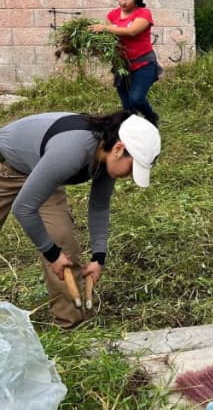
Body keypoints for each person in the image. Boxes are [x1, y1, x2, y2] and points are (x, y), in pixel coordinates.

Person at [0, 111, 160, 328]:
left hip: (43, 168)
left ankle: (72, 325)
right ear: (118, 148)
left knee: (62, 241)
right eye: (132, 167)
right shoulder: (72, 152)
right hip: (7, 167)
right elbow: (24, 208)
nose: (131, 175)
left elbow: (99, 205)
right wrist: (51, 254)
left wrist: (98, 257)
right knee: (54, 251)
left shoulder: (106, 156)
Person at [91, 0, 161, 126]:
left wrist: (105, 28)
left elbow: (132, 31)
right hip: (122, 65)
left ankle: (151, 117)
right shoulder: (113, 15)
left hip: (143, 63)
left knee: (136, 99)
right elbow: (109, 39)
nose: (123, 2)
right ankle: (132, 130)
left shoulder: (143, 13)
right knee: (127, 106)